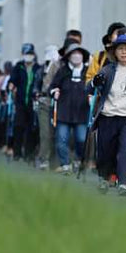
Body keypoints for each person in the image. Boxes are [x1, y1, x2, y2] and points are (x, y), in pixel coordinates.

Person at [90, 33, 126, 196]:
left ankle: (124, 183)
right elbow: (91, 86)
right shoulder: (108, 69)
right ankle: (104, 179)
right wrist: (95, 82)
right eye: (120, 49)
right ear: (114, 52)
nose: (124, 52)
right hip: (107, 116)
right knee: (106, 151)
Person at [50, 42, 90, 174]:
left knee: (81, 139)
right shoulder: (62, 71)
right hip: (64, 112)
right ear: (68, 57)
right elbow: (52, 86)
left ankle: (78, 160)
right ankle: (65, 163)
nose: (76, 57)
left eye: (79, 54)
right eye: (73, 54)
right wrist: (55, 91)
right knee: (62, 139)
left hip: (82, 113)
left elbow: (93, 87)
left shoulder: (87, 71)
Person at [9, 43, 42, 162]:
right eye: (26, 54)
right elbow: (13, 80)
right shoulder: (18, 67)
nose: (28, 56)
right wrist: (11, 86)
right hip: (20, 101)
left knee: (31, 128)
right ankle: (17, 153)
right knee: (18, 127)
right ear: (22, 55)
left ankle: (29, 154)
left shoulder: (38, 68)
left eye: (30, 53)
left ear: (33, 54)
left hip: (33, 102)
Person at [36, 45, 60, 170]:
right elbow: (38, 85)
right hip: (44, 102)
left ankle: (55, 161)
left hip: (59, 104)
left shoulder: (61, 66)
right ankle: (44, 158)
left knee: (56, 133)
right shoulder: (41, 69)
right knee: (45, 133)